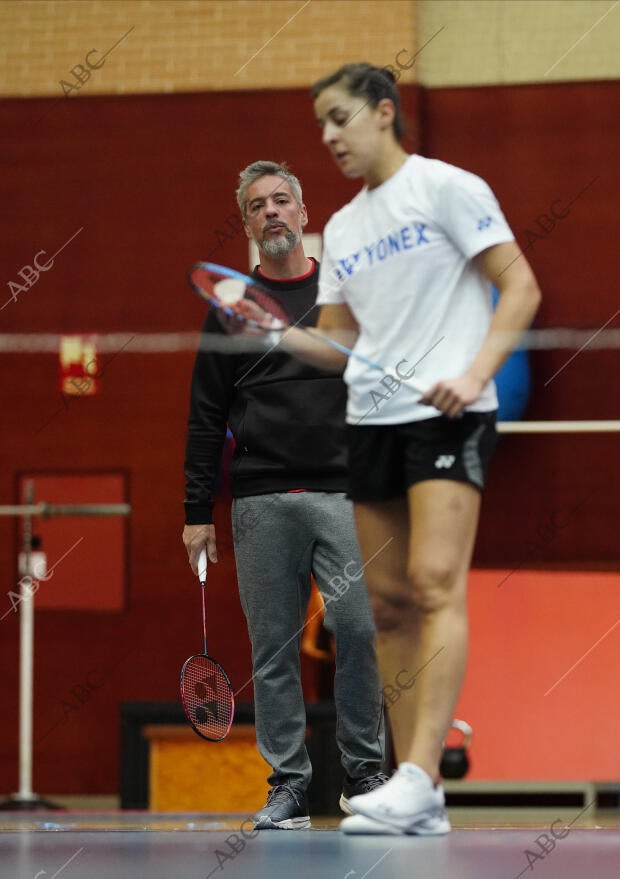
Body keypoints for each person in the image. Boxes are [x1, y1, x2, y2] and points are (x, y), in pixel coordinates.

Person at [248, 64, 541, 836]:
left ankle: (416, 773)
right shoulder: (341, 227)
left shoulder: (449, 188)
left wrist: (475, 371)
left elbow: (521, 288)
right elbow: (342, 341)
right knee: (382, 607)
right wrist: (279, 332)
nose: (328, 136)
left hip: (447, 412)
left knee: (435, 580)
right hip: (371, 419)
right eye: (320, 124)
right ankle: (418, 798)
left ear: (385, 113)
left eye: (340, 118)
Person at [182, 160, 386, 830]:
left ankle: (366, 775)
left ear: (303, 213)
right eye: (257, 205)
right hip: (260, 500)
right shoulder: (229, 312)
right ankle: (289, 785)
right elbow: (206, 416)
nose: (271, 212)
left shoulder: (339, 292)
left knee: (356, 625)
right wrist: (195, 514)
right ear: (247, 223)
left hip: (343, 491)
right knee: (272, 647)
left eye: (281, 200)